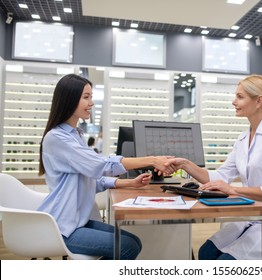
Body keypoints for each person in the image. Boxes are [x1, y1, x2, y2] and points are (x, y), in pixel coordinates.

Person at [166, 74, 262, 260]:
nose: (234, 102)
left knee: (225, 263)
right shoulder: (242, 138)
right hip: (255, 217)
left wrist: (233, 189)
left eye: (240, 97)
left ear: (258, 101)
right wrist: (184, 164)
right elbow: (221, 176)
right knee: (205, 253)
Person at [38, 74, 174, 260]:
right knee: (126, 247)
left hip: (80, 221)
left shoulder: (75, 135)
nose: (91, 102)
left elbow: (92, 180)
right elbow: (99, 165)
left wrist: (130, 184)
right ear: (69, 99)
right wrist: (151, 160)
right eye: (86, 97)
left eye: (91, 97)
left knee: (134, 242)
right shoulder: (57, 138)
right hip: (63, 227)